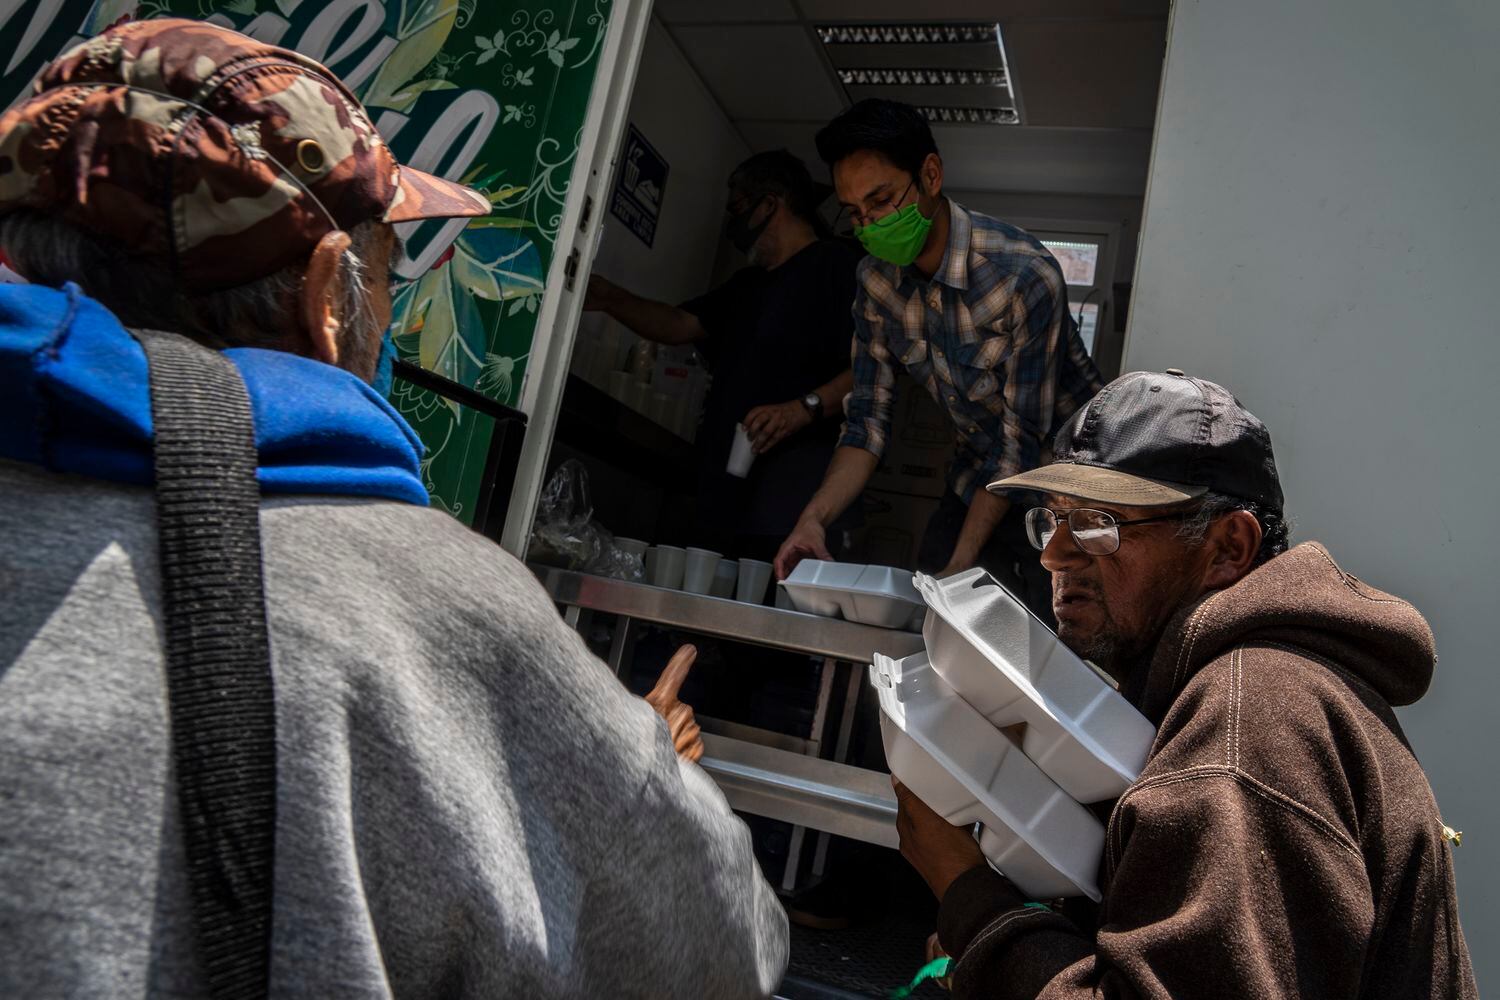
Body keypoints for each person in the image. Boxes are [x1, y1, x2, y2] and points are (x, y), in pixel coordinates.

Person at [0, 19, 786, 998]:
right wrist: (639, 775)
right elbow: (725, 955)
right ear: (332, 296)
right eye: (387, 265)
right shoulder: (437, 605)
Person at [891, 370, 1477, 998]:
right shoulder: (1252, 687)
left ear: (1229, 546)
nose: (1054, 555)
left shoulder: (1249, 722)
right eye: (1052, 520)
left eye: (1099, 522)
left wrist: (966, 894)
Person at [774, 99, 1103, 622]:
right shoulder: (875, 285)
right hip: (978, 473)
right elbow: (865, 424)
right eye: (855, 213)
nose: (871, 225)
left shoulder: (1023, 275)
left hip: (1066, 486)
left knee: (1049, 637)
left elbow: (1020, 446)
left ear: (930, 175)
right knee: (933, 624)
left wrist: (961, 565)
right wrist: (812, 519)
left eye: (881, 200)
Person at [585, 150, 861, 561]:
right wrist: (609, 298)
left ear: (770, 204)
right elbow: (679, 324)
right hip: (724, 485)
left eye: (738, 208)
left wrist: (802, 409)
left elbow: (871, 371)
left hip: (794, 488)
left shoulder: (840, 268)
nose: (733, 224)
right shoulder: (747, 285)